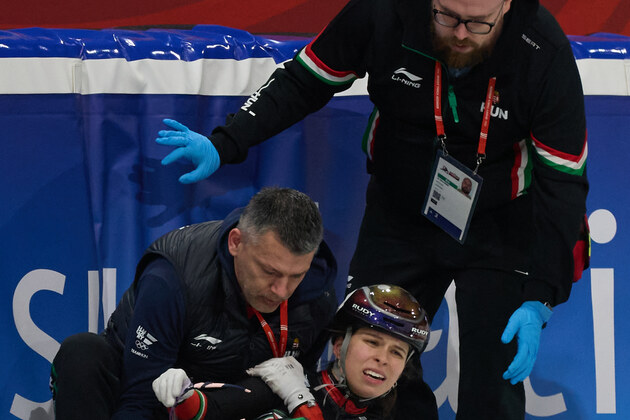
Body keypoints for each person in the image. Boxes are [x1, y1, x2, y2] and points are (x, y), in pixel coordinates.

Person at [154, 0, 590, 418]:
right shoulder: (383, 10)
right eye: (448, 16)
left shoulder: (543, 49)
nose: (460, 33)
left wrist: (540, 296)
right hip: (401, 210)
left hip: (502, 220)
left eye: (478, 23)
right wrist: (225, 140)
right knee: (378, 365)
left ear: (508, 5)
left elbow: (564, 185)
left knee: (493, 378)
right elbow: (305, 79)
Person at [49, 187, 339, 419]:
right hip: (147, 393)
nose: (281, 291)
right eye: (269, 271)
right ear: (236, 243)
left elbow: (297, 385)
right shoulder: (173, 277)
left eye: (296, 275)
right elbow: (137, 400)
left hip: (227, 404)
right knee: (82, 353)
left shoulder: (319, 296)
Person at [153, 284, 431, 420]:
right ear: (339, 345)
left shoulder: (409, 412)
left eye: (397, 352)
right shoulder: (284, 380)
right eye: (372, 342)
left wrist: (303, 408)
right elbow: (206, 411)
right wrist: (182, 395)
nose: (383, 358)